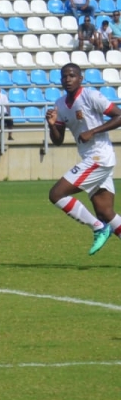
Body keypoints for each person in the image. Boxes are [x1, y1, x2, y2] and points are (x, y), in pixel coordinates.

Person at [46, 63, 121, 256]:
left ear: (80, 79)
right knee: (105, 211)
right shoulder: (61, 104)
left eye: (72, 76)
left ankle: (98, 228)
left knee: (56, 194)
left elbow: (119, 116)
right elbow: (58, 140)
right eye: (64, 76)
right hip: (92, 158)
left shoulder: (91, 96)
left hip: (99, 157)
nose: (67, 79)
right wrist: (52, 125)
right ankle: (102, 223)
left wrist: (93, 131)